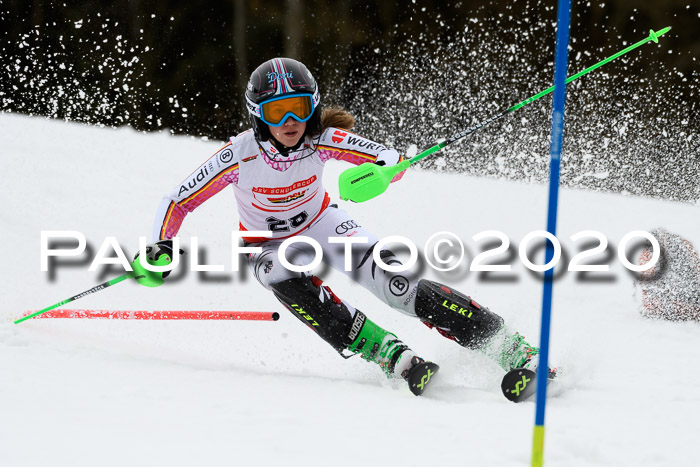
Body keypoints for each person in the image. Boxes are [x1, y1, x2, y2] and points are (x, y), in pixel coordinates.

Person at [137, 57, 547, 396]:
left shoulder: (321, 139)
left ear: (312, 106)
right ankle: (386, 352)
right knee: (280, 273)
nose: (290, 120)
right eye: (276, 110)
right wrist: (160, 245)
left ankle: (512, 348)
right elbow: (178, 200)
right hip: (266, 243)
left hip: (322, 224)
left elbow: (384, 156)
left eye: (298, 106)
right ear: (258, 114)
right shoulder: (238, 155)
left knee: (396, 285)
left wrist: (388, 169)